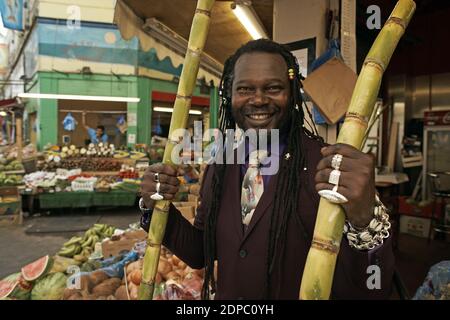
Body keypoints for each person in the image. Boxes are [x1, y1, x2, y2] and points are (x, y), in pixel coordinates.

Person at [139, 39, 394, 300]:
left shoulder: (328, 166)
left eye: (273, 88)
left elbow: (373, 289)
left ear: (293, 93)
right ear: (230, 96)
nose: (258, 99)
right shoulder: (221, 165)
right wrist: (155, 206)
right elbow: (199, 252)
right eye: (245, 88)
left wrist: (365, 220)